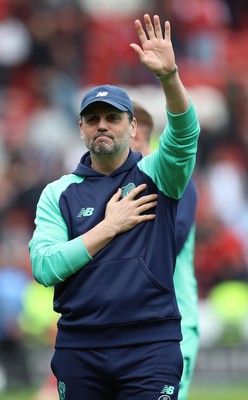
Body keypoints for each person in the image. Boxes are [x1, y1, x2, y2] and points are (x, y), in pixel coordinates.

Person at [29, 14, 200, 400]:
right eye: (92, 119)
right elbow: (45, 266)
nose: (102, 125)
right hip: (79, 348)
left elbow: (185, 134)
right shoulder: (58, 193)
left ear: (133, 127)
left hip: (150, 347)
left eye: (112, 118)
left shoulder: (157, 175)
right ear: (81, 130)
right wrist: (108, 226)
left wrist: (169, 76)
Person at [132, 102, 199, 400]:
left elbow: (167, 244)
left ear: (134, 132)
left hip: (174, 321)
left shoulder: (175, 182)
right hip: (128, 325)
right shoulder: (114, 189)